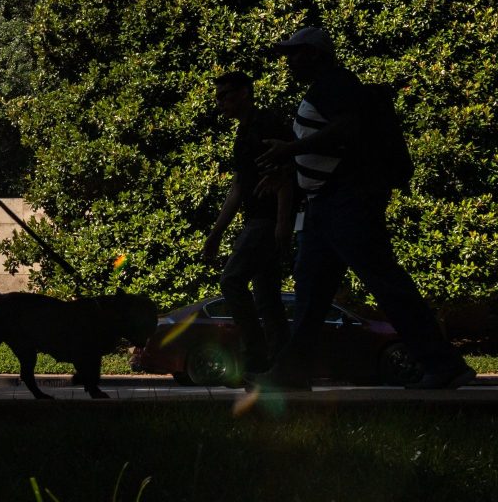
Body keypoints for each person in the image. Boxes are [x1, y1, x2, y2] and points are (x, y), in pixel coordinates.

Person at [249, 26, 474, 391]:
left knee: (384, 282)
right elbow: (328, 147)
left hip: (346, 203)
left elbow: (347, 129)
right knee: (309, 295)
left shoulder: (337, 85)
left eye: (295, 53)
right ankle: (291, 371)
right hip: (326, 207)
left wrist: (289, 152)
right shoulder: (327, 88)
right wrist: (291, 169)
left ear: (316, 55)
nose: (288, 60)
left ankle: (442, 363)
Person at [203, 71, 294, 377]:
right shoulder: (244, 133)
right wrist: (216, 233)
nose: (220, 103)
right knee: (267, 298)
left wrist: (283, 222)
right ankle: (283, 367)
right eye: (217, 97)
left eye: (225, 95)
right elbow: (239, 186)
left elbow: (286, 173)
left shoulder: (265, 124)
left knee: (232, 280)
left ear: (244, 93)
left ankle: (256, 356)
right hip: (260, 219)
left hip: (266, 221)